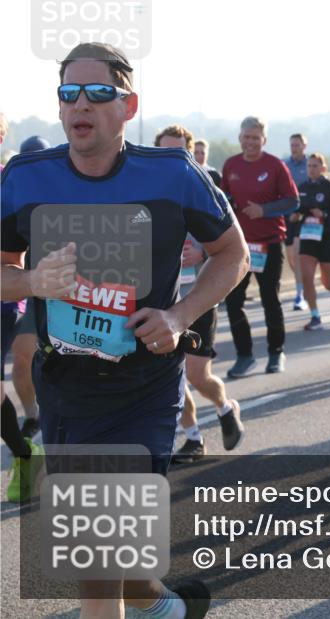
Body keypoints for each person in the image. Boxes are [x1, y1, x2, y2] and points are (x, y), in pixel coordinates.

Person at [1, 41, 247, 618]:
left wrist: (178, 316)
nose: (80, 103)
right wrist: (34, 280)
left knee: (96, 562)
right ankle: (165, 607)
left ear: (128, 106)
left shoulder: (172, 173)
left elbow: (232, 253)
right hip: (66, 387)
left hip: (143, 384)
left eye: (98, 92)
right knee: (112, 556)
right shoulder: (25, 178)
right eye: (68, 93)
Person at [155, 125, 246, 463]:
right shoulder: (147, 195)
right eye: (165, 152)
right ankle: (193, 438)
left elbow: (232, 250)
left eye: (180, 153)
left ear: (191, 156)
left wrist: (202, 255)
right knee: (171, 377)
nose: (172, 161)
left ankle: (225, 406)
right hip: (162, 299)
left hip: (199, 296)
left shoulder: (207, 194)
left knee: (196, 375)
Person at [222, 116, 300, 377]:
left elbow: (292, 202)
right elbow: (225, 197)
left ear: (263, 140)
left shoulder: (275, 165)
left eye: (256, 137)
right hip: (238, 247)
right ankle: (244, 356)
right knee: (234, 302)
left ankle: (276, 352)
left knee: (270, 300)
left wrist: (263, 210)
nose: (251, 142)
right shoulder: (231, 165)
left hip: (268, 244)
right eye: (246, 137)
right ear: (240, 138)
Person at [1, 119, 45, 503]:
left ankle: (27, 448)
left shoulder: (12, 181)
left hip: (5, 297)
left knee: (23, 360)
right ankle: (27, 449)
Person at [293, 153, 330, 330]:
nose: (311, 169)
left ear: (324, 168)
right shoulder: (301, 187)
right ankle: (315, 315)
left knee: (328, 282)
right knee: (307, 277)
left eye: (315, 166)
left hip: (328, 239)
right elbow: (295, 210)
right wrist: (294, 216)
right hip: (308, 237)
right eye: (309, 166)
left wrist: (323, 215)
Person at [285, 133, 310, 311]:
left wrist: (301, 212)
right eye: (292, 145)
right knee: (292, 258)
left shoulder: (310, 164)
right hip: (287, 217)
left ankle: (300, 293)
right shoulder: (284, 165)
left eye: (297, 145)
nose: (294, 148)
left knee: (298, 253)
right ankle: (302, 285)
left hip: (304, 218)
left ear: (304, 146)